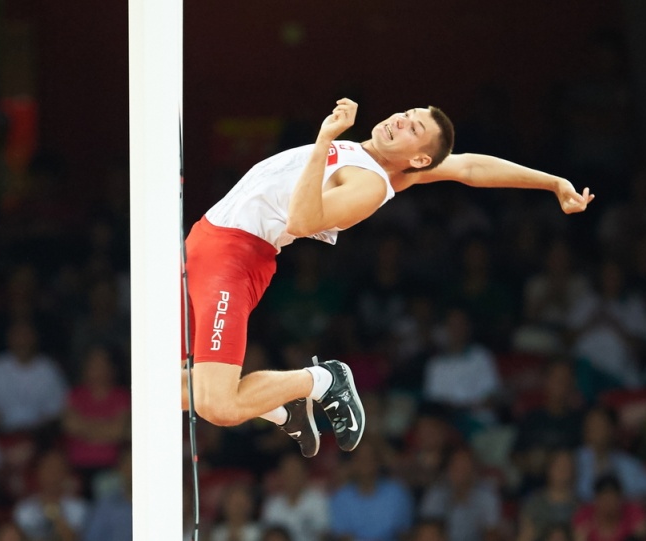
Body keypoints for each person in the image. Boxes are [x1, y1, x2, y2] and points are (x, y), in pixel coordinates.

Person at [182, 98, 594, 458]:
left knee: (217, 405)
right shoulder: (378, 160)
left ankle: (324, 379)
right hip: (203, 241)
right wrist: (553, 182)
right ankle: (281, 405)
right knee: (170, 390)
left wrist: (324, 137)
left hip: (234, 257)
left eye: (413, 127)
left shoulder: (369, 183)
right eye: (407, 113)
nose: (400, 120)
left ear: (418, 158)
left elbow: (304, 220)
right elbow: (468, 165)